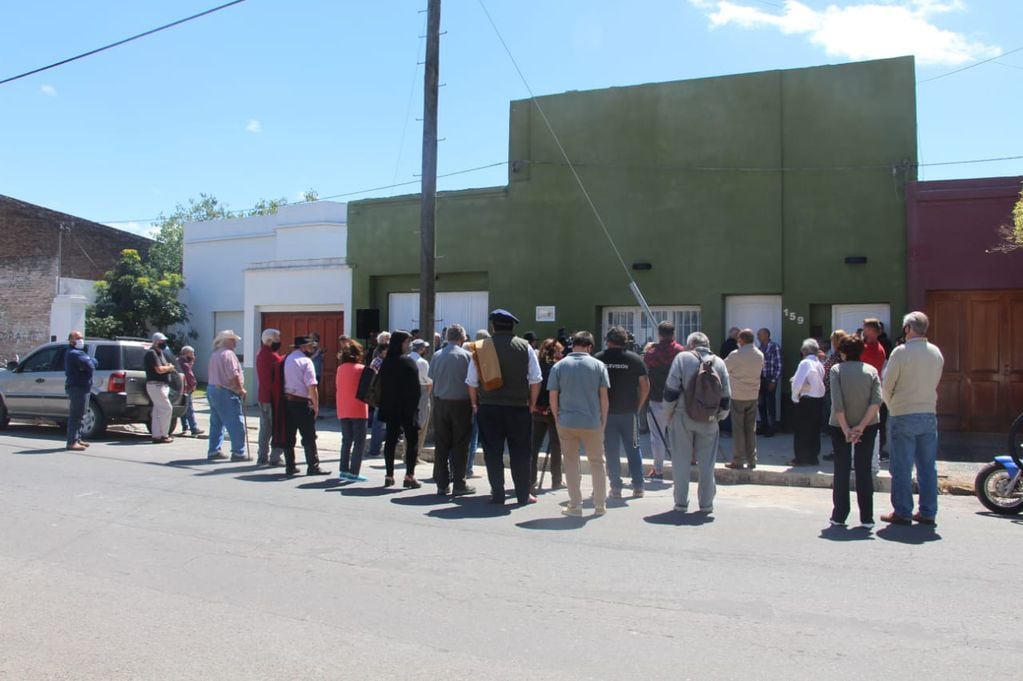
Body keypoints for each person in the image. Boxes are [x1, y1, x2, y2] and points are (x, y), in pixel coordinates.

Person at [467, 310, 542, 506]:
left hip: (489, 407)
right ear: (512, 327)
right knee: (521, 452)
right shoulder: (525, 347)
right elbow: (536, 380)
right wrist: (532, 404)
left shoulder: (481, 347)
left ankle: (498, 494)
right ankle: (523, 494)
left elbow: (471, 382)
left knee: (493, 452)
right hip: (518, 408)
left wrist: (475, 404)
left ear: (493, 326)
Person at [881, 311, 945, 526]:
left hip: (904, 412)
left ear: (908, 328)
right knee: (927, 466)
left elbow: (887, 385)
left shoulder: (901, 352)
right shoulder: (936, 352)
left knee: (902, 465)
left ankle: (902, 510)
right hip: (928, 411)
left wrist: (892, 407)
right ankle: (928, 511)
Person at [664, 332, 731, 514]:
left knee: (680, 462)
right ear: (707, 344)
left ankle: (681, 504)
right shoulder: (720, 362)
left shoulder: (683, 358)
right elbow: (726, 396)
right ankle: (706, 504)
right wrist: (719, 417)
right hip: (709, 418)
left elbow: (671, 389)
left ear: (690, 344)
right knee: (707, 465)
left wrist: (668, 413)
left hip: (682, 416)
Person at [548, 331, 610, 517]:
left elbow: (553, 396)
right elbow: (604, 397)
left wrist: (557, 417)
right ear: (589, 347)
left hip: (567, 421)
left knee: (571, 462)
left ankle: (575, 505)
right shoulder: (599, 365)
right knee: (597, 462)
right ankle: (599, 504)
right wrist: (603, 419)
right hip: (592, 421)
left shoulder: (559, 366)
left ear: (572, 345)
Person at [828, 335, 882, 529]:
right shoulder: (872, 371)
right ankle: (867, 517)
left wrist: (846, 430)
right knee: (864, 470)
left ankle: (840, 515)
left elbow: (837, 403)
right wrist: (861, 427)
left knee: (841, 470)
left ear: (842, 353)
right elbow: (876, 401)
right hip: (868, 425)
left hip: (839, 425)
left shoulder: (836, 370)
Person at [595, 326, 649, 498]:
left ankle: (616, 487)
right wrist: (638, 407)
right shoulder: (634, 359)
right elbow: (645, 385)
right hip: (629, 414)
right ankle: (638, 486)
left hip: (607, 414)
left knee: (611, 450)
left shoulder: (599, 358)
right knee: (633, 448)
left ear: (608, 341)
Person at [428, 324, 476, 496]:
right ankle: (459, 482)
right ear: (462, 338)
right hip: (461, 404)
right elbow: (473, 382)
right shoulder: (468, 356)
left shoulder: (437, 355)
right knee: (460, 445)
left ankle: (442, 483)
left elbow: (431, 378)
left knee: (442, 444)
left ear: (447, 337)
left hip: (441, 403)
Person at [377, 331, 421, 488]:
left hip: (390, 407)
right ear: (400, 343)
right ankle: (409, 476)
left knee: (390, 440)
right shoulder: (408, 363)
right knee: (412, 441)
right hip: (407, 409)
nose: (408, 345)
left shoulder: (386, 363)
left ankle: (389, 475)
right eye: (406, 342)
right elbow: (416, 389)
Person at [282, 335, 329, 476]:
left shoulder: (287, 359)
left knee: (289, 435)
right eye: (310, 347)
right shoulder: (306, 362)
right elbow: (312, 386)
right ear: (303, 348)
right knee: (308, 436)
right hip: (301, 402)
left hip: (287, 401)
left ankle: (290, 465)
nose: (312, 349)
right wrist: (316, 405)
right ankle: (313, 466)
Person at [643, 321, 684, 479]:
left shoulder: (651, 353)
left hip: (656, 399)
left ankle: (658, 469)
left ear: (659, 334)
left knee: (657, 437)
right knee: (679, 436)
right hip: (677, 400)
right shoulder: (681, 352)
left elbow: (645, 371)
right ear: (673, 334)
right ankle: (680, 468)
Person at [723, 328, 764, 469]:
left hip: (738, 395)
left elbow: (724, 368)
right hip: (753, 395)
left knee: (739, 429)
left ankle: (738, 460)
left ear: (741, 340)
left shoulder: (736, 354)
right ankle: (752, 459)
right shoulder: (759, 354)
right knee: (751, 429)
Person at [206, 330, 249, 462]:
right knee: (235, 422)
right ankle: (238, 452)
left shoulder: (215, 354)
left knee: (216, 422)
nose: (235, 342)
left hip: (213, 389)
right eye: (232, 339)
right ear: (226, 341)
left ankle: (214, 450)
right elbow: (233, 375)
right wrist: (240, 389)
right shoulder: (228, 354)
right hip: (225, 391)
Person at [530, 338, 564, 492]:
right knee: (556, 446)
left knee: (534, 446)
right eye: (559, 351)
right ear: (554, 352)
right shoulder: (558, 368)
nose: (562, 354)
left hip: (537, 410)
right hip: (552, 411)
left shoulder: (536, 366)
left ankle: (531, 480)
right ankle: (556, 480)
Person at [789, 338, 826, 467]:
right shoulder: (819, 363)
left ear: (804, 350)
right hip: (818, 399)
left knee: (801, 430)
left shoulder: (805, 363)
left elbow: (798, 382)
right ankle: (812, 457)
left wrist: (794, 397)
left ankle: (800, 458)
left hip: (806, 399)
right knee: (814, 430)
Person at [335, 339, 368, 481]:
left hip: (343, 407)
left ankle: (343, 470)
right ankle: (354, 472)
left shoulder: (340, 369)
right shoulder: (362, 369)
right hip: (359, 408)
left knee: (346, 440)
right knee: (359, 441)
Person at [255, 328, 285, 467]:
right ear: (268, 340)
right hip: (273, 398)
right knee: (277, 428)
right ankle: (275, 457)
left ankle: (262, 456)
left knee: (265, 428)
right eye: (277, 339)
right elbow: (281, 366)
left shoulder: (261, 354)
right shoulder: (271, 356)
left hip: (263, 396)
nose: (279, 341)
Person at [64, 330, 96, 451]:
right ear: (71, 340)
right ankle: (72, 442)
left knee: (81, 415)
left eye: (81, 337)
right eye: (77, 338)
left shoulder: (80, 353)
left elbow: (90, 363)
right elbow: (91, 365)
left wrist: (89, 361)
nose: (80, 340)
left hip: (83, 386)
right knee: (76, 415)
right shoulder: (74, 353)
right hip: (77, 387)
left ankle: (77, 438)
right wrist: (90, 360)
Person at [465, 329, 491, 479]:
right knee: (473, 436)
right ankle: (468, 469)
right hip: (480, 401)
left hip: (466, 399)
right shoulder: (481, 356)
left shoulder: (468, 353)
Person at [144, 332, 176, 444]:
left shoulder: (160, 353)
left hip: (162, 385)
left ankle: (157, 435)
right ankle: (164, 434)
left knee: (158, 410)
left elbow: (164, 366)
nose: (164, 343)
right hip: (155, 385)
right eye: (162, 341)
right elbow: (159, 369)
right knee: (167, 409)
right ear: (156, 341)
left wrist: (167, 367)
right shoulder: (151, 353)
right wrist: (169, 368)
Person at [821, 330, 847, 460]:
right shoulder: (842, 356)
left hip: (832, 391)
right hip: (836, 390)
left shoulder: (837, 356)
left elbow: (827, 370)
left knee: (836, 423)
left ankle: (838, 451)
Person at [366, 331, 391, 459]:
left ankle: (377, 448)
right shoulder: (379, 362)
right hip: (381, 396)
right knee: (379, 424)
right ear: (382, 351)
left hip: (380, 395)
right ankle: (375, 450)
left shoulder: (378, 360)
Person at [409, 338, 433, 457]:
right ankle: (416, 455)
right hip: (421, 390)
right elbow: (429, 380)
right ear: (422, 349)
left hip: (407, 391)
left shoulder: (406, 358)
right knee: (421, 424)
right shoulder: (422, 362)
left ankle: (406, 454)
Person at [756, 328, 781, 437]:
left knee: (770, 404)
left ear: (766, 335)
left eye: (759, 335)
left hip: (769, 378)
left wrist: (774, 380)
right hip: (760, 379)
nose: (758, 337)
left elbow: (779, 365)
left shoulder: (774, 347)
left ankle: (772, 428)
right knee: (761, 404)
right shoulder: (759, 348)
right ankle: (763, 425)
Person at [176, 345, 204, 437]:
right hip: (186, 388)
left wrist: (191, 361)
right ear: (187, 353)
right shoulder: (184, 364)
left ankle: (185, 426)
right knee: (189, 409)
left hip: (179, 388)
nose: (193, 355)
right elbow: (190, 375)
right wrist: (193, 385)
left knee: (183, 408)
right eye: (192, 353)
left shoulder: (178, 361)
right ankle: (194, 428)